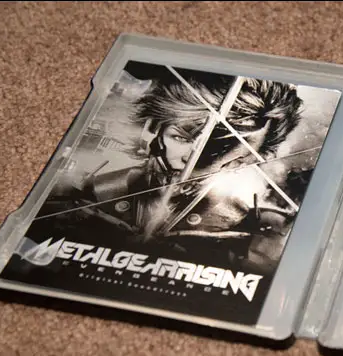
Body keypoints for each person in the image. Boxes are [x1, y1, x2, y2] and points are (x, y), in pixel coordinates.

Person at [39, 71, 310, 274]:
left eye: (220, 150)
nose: (192, 157)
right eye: (181, 137)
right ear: (154, 130)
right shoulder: (95, 189)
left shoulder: (251, 223)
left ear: (250, 157)